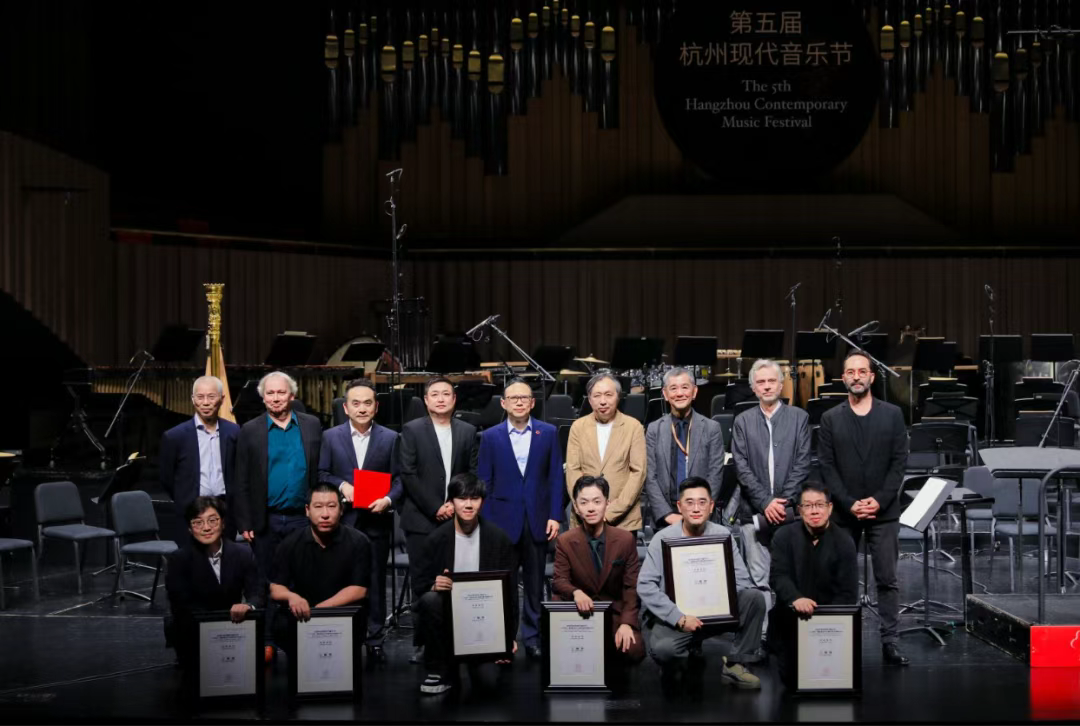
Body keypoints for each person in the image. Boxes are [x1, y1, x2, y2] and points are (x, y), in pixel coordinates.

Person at [818, 350, 910, 666]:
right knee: (840, 579)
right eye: (850, 372)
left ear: (871, 376)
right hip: (845, 512)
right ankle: (839, 640)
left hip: (884, 512)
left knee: (887, 579)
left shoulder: (893, 414)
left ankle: (890, 642)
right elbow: (827, 467)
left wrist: (879, 500)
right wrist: (849, 502)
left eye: (862, 371)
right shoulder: (831, 418)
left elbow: (899, 463)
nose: (856, 376)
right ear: (843, 378)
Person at [637, 476, 766, 693]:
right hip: (679, 616)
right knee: (664, 650)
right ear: (680, 507)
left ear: (711, 506)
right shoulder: (662, 539)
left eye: (702, 502)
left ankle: (736, 664)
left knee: (754, 598)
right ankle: (680, 658)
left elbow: (742, 580)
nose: (696, 508)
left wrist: (717, 600)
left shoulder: (722, 535)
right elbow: (646, 585)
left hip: (715, 611)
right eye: (689, 502)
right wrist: (678, 617)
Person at [232, 370, 323, 661]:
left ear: (292, 395)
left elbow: (319, 470)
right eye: (269, 393)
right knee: (265, 582)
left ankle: (302, 639)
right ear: (263, 398)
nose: (275, 398)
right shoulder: (250, 430)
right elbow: (240, 480)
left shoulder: (311, 425)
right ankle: (267, 641)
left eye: (280, 392)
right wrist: (244, 521)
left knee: (303, 580)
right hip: (266, 519)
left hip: (302, 518)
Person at [477, 378, 563, 661]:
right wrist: (486, 522)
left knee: (535, 584)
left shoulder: (547, 433)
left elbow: (555, 477)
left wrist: (555, 515)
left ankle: (532, 637)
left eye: (524, 397)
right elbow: (484, 483)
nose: (518, 402)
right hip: (501, 522)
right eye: (513, 398)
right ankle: (506, 638)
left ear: (532, 402)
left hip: (538, 519)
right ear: (503, 403)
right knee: (505, 585)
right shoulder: (490, 437)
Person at [318, 378, 402, 663]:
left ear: (376, 407)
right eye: (356, 403)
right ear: (346, 408)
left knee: (376, 582)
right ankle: (340, 636)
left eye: (367, 403)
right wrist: (343, 486)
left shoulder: (391, 438)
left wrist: (388, 499)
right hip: (342, 523)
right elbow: (322, 473)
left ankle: (375, 639)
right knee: (339, 581)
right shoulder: (330, 437)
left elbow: (399, 479)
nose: (362, 408)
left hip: (376, 523)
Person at [412, 473, 518, 695]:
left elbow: (509, 593)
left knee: (487, 682)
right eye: (462, 498)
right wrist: (434, 585)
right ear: (451, 502)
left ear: (482, 502)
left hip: (483, 621)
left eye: (475, 498)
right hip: (447, 617)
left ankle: (475, 657)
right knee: (430, 599)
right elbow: (419, 586)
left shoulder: (499, 539)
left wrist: (508, 637)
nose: (468, 504)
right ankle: (438, 669)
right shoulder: (436, 540)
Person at [398, 376, 479, 661]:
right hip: (421, 519)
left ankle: (460, 638)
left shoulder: (468, 431)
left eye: (446, 394)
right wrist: (435, 507)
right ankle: (424, 643)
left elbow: (471, 473)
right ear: (426, 400)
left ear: (454, 399)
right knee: (422, 582)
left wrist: (454, 505)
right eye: (435, 394)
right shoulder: (411, 430)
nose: (441, 398)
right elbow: (408, 474)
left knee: (457, 579)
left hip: (457, 518)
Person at [731, 359, 812, 597]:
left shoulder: (799, 418)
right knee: (759, 581)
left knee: (791, 578)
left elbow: (803, 463)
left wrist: (782, 503)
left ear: (781, 384)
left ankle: (787, 622)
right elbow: (741, 467)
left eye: (771, 381)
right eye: (761, 382)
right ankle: (764, 623)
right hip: (753, 513)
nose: (766, 386)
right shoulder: (742, 421)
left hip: (790, 513)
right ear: (753, 388)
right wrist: (766, 502)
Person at [768, 481, 858, 686]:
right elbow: (778, 577)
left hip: (830, 623)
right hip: (791, 617)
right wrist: (796, 598)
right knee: (791, 682)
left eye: (819, 505)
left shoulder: (844, 541)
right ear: (800, 510)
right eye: (808, 506)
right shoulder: (783, 536)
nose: (814, 511)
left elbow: (847, 592)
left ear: (830, 508)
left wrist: (825, 625)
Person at [165, 496, 262, 684]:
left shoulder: (242, 553)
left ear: (223, 523)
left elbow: (257, 591)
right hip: (195, 629)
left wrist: (248, 606)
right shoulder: (179, 559)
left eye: (212, 520)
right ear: (189, 528)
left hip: (236, 626)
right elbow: (181, 603)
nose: (206, 528)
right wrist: (216, 627)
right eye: (198, 522)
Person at [552, 475, 645, 669]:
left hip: (613, 612)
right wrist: (576, 592)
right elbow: (559, 580)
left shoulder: (625, 539)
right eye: (584, 502)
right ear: (576, 507)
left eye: (597, 501)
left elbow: (631, 587)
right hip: (580, 614)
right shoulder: (565, 541)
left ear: (607, 504)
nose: (591, 508)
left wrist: (627, 623)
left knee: (634, 650)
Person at [268, 483, 372, 657]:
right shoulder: (290, 543)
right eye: (318, 507)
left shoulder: (358, 541)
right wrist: (292, 597)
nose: (325, 514)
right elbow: (276, 587)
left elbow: (359, 590)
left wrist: (319, 611)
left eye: (331, 506)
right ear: (307, 510)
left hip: (343, 614)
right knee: (282, 623)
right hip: (302, 614)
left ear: (341, 510)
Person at [644, 367, 725, 530]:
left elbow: (715, 474)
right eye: (673, 388)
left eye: (685, 387)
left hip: (701, 515)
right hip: (666, 517)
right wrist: (666, 514)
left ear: (694, 392)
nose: (679, 393)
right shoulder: (654, 429)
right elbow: (650, 476)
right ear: (665, 394)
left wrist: (699, 510)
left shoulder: (711, 428)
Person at [159, 376, 240, 539]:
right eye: (200, 397)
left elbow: (239, 472)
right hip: (190, 511)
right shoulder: (174, 436)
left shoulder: (234, 432)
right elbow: (167, 478)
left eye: (211, 397)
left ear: (222, 399)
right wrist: (185, 499)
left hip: (226, 511)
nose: (206, 402)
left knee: (225, 554)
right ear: (192, 399)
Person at [565, 373, 646, 532]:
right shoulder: (578, 427)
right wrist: (583, 506)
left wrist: (612, 511)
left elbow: (638, 472)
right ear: (589, 399)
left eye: (608, 395)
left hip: (623, 520)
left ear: (618, 397)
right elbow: (572, 469)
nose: (603, 401)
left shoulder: (633, 427)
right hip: (584, 519)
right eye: (597, 396)